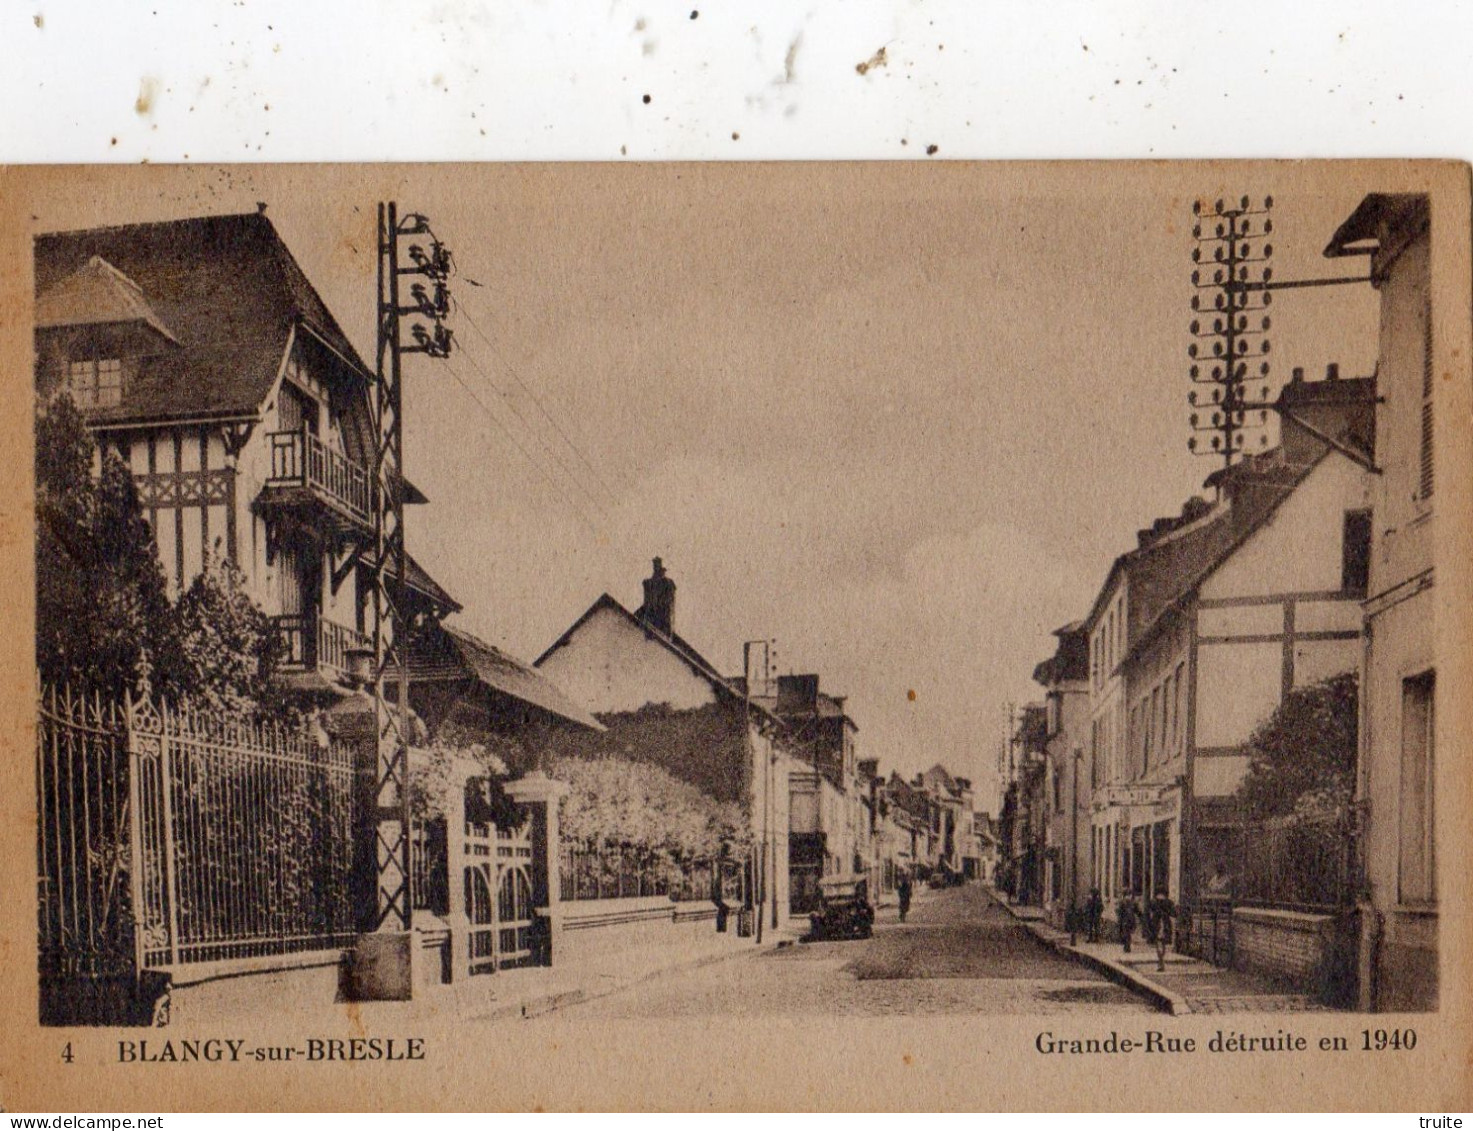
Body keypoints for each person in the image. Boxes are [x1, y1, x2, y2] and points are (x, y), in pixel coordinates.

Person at [1145, 894, 1177, 972]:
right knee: (1163, 944)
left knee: (1158, 944)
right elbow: (1174, 914)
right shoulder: (1169, 902)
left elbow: (1147, 913)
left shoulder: (1152, 902)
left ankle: (1160, 961)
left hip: (1156, 924)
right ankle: (1161, 961)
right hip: (1165, 924)